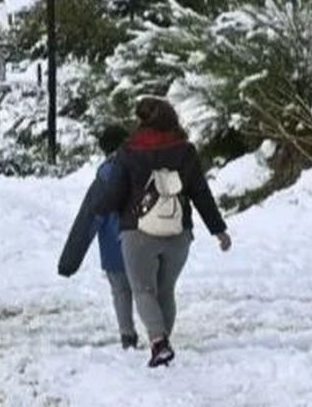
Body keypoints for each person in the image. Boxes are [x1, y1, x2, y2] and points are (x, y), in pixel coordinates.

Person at [96, 97, 232, 368]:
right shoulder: (186, 150)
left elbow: (114, 194)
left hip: (138, 232)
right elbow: (200, 193)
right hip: (178, 232)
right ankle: (164, 341)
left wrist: (102, 208)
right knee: (165, 290)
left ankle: (159, 342)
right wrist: (218, 229)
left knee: (143, 290)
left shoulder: (128, 150)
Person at [58, 124, 137, 349]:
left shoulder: (105, 174)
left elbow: (88, 218)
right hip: (145, 239)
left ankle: (127, 335)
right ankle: (158, 334)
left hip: (114, 244)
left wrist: (69, 262)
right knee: (146, 290)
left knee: (121, 291)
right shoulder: (143, 165)